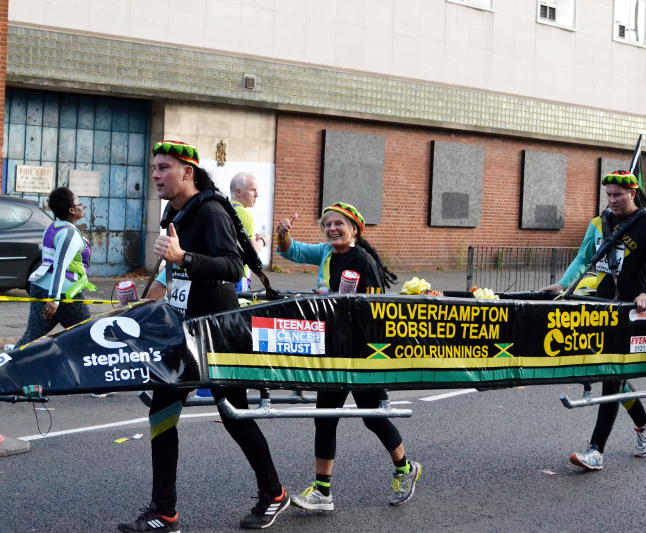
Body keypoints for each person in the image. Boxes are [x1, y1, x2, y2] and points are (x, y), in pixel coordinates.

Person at [117, 140, 288, 532]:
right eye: (155, 168)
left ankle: (274, 493)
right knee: (161, 412)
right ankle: (165, 511)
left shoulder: (210, 210)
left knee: (234, 416)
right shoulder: (175, 211)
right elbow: (175, 276)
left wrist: (185, 258)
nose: (156, 175)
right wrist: (150, 301)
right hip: (181, 330)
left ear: (187, 172)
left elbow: (233, 266)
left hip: (217, 331)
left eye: (164, 168)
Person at [275, 202, 420, 510]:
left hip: (362, 352)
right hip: (332, 349)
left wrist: (338, 303)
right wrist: (283, 236)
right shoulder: (327, 253)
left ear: (354, 228)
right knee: (325, 417)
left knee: (373, 417)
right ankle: (323, 492)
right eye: (327, 224)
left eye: (338, 224)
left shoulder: (363, 261)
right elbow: (293, 252)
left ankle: (406, 468)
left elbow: (377, 309)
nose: (332, 229)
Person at [542, 170, 646, 471]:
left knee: (611, 376)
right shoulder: (600, 223)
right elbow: (583, 259)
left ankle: (596, 450)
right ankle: (644, 423)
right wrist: (563, 285)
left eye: (618, 195)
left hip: (628, 310)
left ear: (633, 194)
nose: (612, 200)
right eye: (609, 195)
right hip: (601, 307)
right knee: (611, 373)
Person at [16, 187, 95, 348]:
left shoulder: (52, 228)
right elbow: (60, 265)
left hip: (40, 286)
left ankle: (7, 365)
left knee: (31, 338)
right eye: (80, 203)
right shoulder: (70, 234)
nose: (83, 206)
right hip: (64, 293)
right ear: (72, 210)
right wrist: (54, 299)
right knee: (90, 337)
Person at [229, 171, 267, 292]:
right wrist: (263, 240)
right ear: (239, 192)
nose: (257, 194)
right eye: (253, 190)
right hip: (240, 274)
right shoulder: (245, 215)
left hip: (224, 272)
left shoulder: (223, 208)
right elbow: (252, 252)